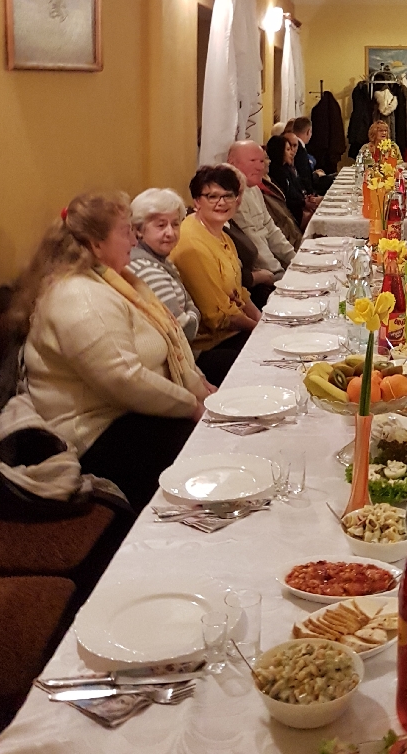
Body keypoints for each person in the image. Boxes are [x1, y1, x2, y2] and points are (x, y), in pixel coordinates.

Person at [14, 192, 208, 512]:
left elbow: (165, 347)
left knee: (218, 438)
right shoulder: (80, 296)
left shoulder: (111, 280)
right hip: (93, 434)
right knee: (203, 460)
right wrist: (192, 406)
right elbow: (123, 378)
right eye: (125, 231)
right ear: (96, 243)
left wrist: (199, 387)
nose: (133, 239)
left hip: (127, 414)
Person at [171, 164, 261, 379]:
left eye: (228, 196)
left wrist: (262, 320)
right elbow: (218, 316)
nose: (221, 202)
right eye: (212, 196)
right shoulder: (191, 243)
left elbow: (239, 291)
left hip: (233, 331)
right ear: (197, 201)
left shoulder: (223, 235)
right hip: (208, 347)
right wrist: (260, 329)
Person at [128, 188, 201, 343]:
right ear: (139, 230)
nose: (170, 232)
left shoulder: (161, 261)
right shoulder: (145, 268)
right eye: (161, 225)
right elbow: (184, 330)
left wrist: (190, 310)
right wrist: (194, 312)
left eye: (175, 224)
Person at [227, 140, 296, 276]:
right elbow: (254, 244)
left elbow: (271, 229)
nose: (260, 167)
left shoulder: (254, 189)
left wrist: (295, 259)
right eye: (252, 161)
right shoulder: (232, 197)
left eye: (261, 161)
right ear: (232, 163)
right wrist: (278, 272)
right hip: (259, 273)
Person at [266, 132, 318, 229]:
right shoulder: (276, 173)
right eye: (288, 149)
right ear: (279, 151)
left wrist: (306, 198)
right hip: (291, 213)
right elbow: (285, 199)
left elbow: (297, 190)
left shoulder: (287, 169)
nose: (292, 152)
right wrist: (304, 202)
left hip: (299, 207)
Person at [291, 115, 335, 194]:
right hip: (307, 192)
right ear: (308, 131)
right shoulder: (299, 149)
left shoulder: (293, 145)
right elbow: (305, 178)